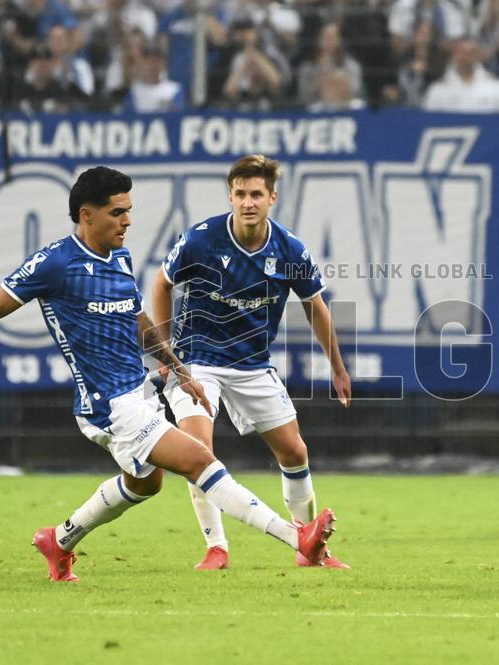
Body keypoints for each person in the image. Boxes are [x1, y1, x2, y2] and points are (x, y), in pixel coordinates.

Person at [0, 167, 337, 582]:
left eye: (129, 210)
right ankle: (297, 537)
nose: (128, 220)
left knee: (145, 484)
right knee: (201, 461)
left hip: (139, 392)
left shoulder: (119, 257)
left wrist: (178, 368)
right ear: (86, 215)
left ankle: (58, 540)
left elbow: (136, 319)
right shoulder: (55, 263)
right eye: (118, 212)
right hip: (107, 406)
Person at [151, 154, 352, 570]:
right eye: (240, 194)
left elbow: (315, 305)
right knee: (199, 451)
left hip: (252, 364)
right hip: (196, 362)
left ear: (272, 197)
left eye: (256, 194)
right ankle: (216, 548)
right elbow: (162, 283)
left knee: (295, 452)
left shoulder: (290, 248)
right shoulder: (201, 239)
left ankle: (310, 549)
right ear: (230, 196)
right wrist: (165, 351)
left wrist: (336, 366)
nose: (247, 202)